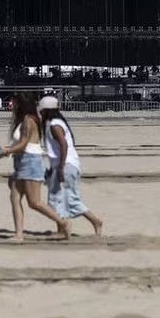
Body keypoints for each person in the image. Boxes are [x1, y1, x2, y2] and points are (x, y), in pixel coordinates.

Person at [0, 92, 70, 242]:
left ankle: (63, 223)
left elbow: (24, 143)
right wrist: (6, 151)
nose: (12, 106)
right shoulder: (25, 119)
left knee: (34, 202)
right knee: (14, 197)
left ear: (21, 104)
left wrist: (8, 150)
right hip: (21, 162)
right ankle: (19, 234)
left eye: (14, 103)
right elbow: (20, 143)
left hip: (30, 162)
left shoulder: (28, 120)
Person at [38, 95, 103, 237]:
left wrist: (60, 168)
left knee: (69, 199)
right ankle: (62, 229)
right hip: (63, 165)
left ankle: (95, 221)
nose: (40, 114)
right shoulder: (55, 123)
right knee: (57, 198)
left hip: (66, 165)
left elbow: (63, 145)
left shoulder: (55, 125)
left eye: (42, 111)